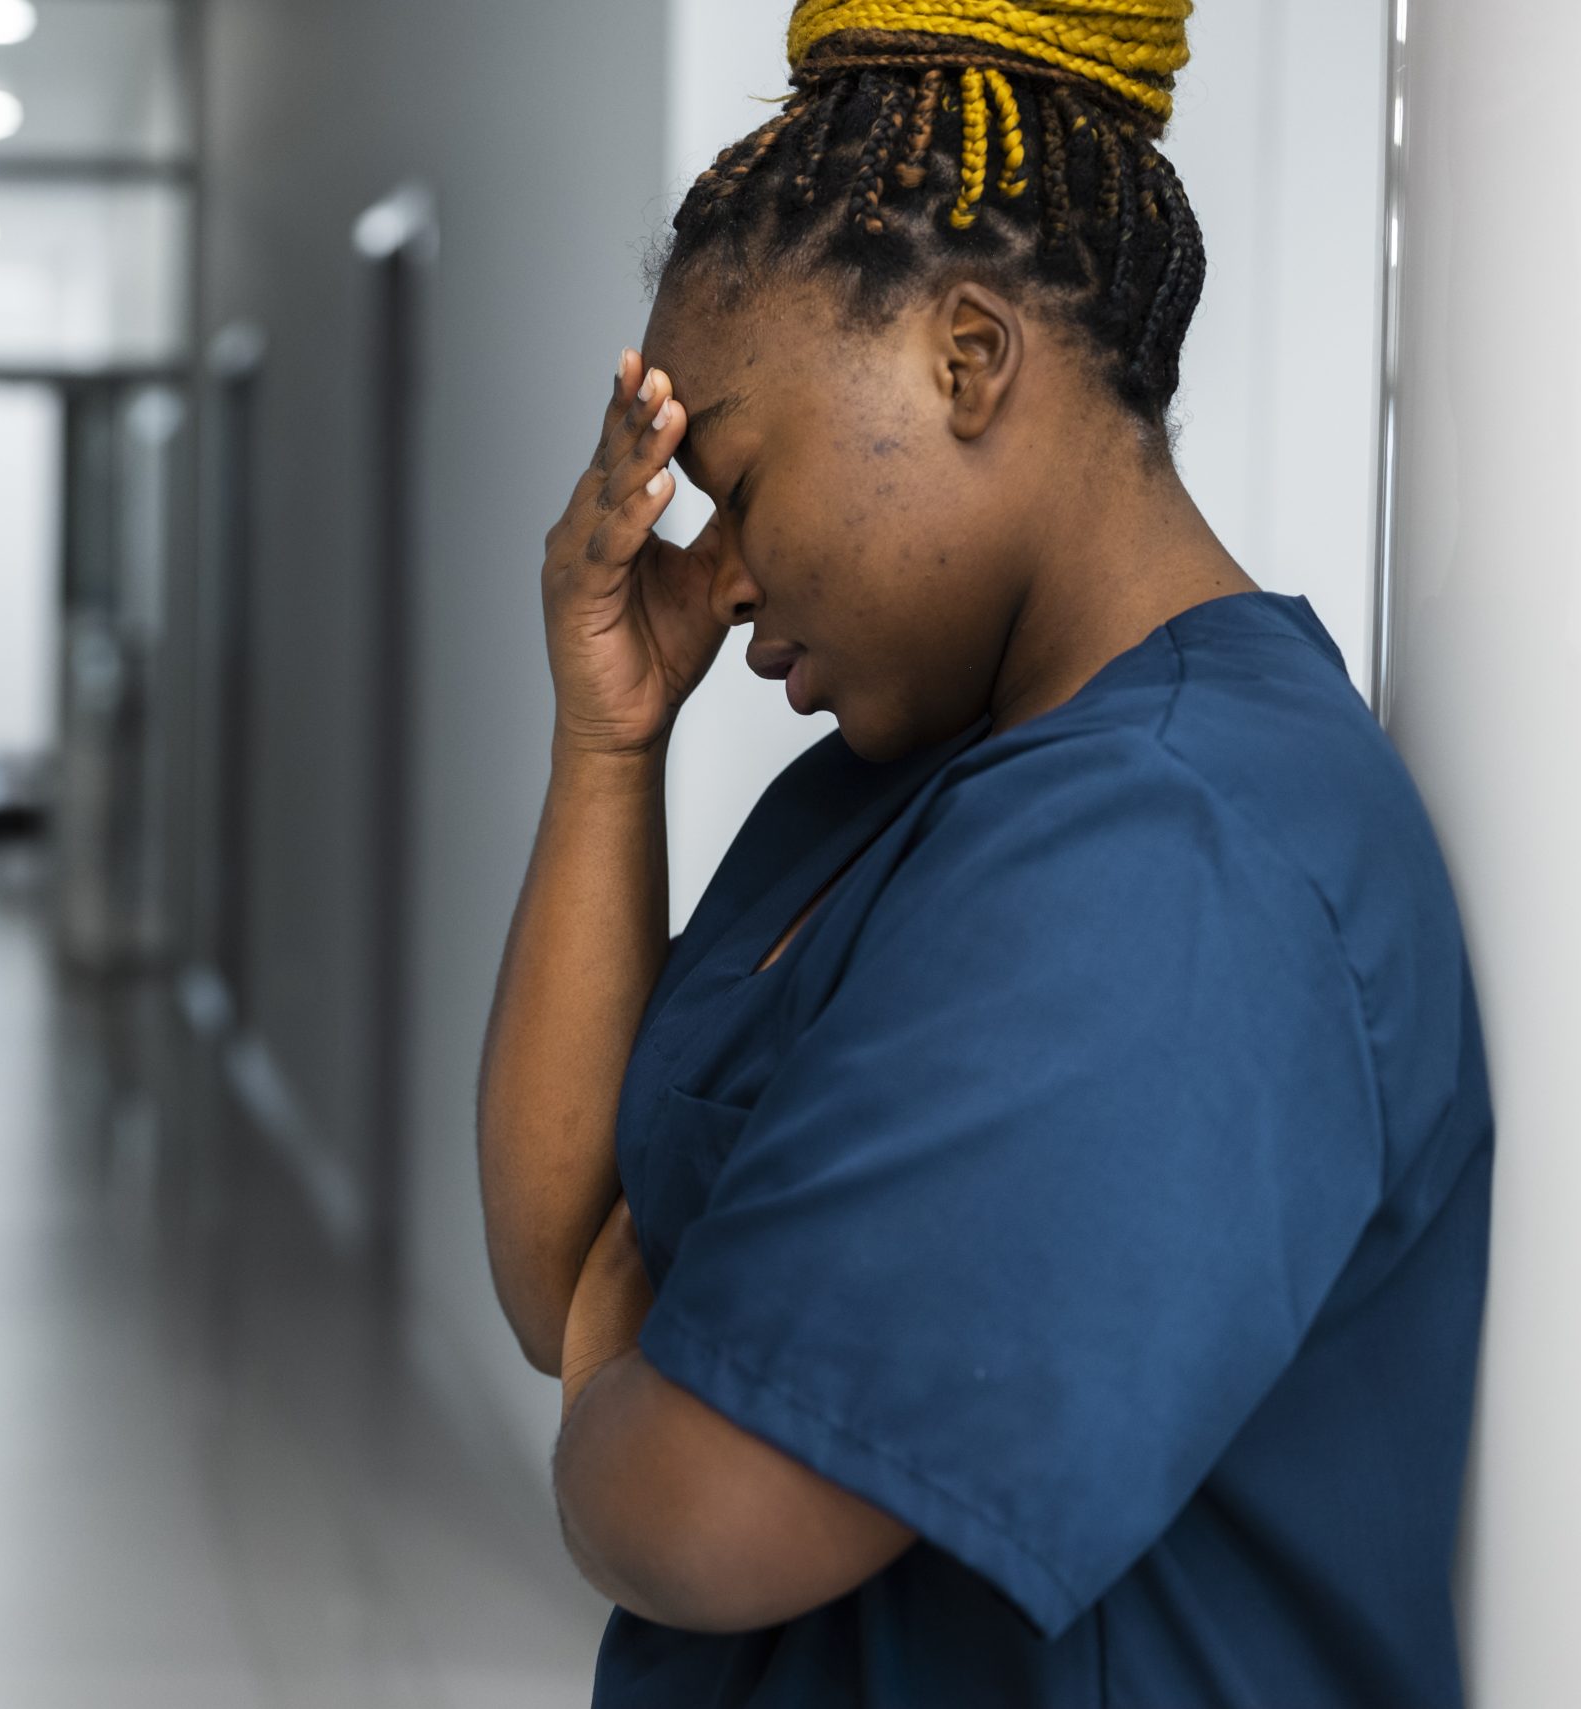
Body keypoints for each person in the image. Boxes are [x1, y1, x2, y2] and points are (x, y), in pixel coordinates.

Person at [475, 3, 1493, 1704]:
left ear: (966, 357)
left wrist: (617, 1376)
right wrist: (605, 741)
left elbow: (697, 1505)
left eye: (734, 479)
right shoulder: (899, 776)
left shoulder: (1183, 851)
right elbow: (557, 1255)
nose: (716, 579)